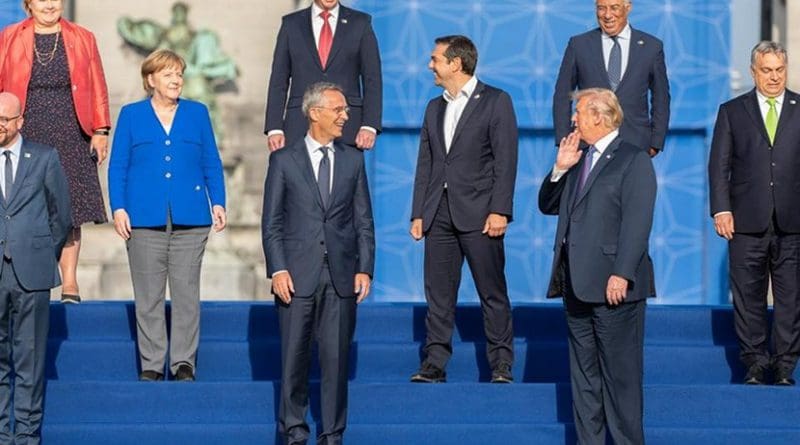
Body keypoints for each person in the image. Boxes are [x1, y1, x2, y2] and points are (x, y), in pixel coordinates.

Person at [539, 88, 656, 444]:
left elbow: (637, 223)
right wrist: (560, 168)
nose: (573, 119)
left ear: (600, 117)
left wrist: (621, 272)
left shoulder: (633, 159)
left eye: (578, 113)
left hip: (614, 289)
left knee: (620, 380)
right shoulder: (578, 159)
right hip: (576, 284)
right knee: (585, 380)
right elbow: (547, 205)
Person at [262, 82, 375, 444]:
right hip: (295, 276)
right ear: (315, 113)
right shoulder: (283, 160)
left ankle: (332, 434)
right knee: (293, 358)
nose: (345, 116)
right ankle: (294, 430)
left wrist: (365, 267)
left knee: (336, 361)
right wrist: (278, 268)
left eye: (345, 110)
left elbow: (364, 220)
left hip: (341, 276)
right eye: (338, 110)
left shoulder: (354, 159)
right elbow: (272, 222)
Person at [108, 49, 226, 382]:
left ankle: (183, 363)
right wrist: (119, 207)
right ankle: (151, 363)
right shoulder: (131, 115)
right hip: (144, 217)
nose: (176, 80)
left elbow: (211, 162)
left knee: (187, 293)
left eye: (179, 74)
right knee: (148, 294)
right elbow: (119, 166)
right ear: (151, 80)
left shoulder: (197, 113)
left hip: (191, 218)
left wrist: (218, 201)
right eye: (168, 74)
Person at [409, 35, 517, 384]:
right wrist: (418, 212)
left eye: (435, 59)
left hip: (481, 214)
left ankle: (501, 364)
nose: (430, 66)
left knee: (492, 291)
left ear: (455, 63)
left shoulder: (496, 101)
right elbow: (425, 163)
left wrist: (500, 210)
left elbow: (505, 160)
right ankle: (434, 363)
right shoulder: (433, 107)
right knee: (438, 294)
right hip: (438, 213)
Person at [0, 0, 111, 303]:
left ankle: (70, 282)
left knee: (69, 207)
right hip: (26, 128)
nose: (49, 5)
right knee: (24, 207)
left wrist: (100, 131)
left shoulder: (82, 37)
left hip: (70, 129)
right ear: (28, 5)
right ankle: (29, 277)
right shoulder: (9, 36)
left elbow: (97, 84)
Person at [708, 41, 800, 386]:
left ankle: (785, 365)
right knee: (748, 295)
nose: (774, 77)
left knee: (791, 296)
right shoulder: (732, 111)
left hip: (793, 222)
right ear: (753, 72)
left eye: (779, 70)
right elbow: (719, 167)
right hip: (745, 221)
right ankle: (756, 363)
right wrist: (721, 209)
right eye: (767, 70)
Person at [0, 91, 72, 445]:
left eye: (5, 119)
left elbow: (61, 216)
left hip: (32, 272)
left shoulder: (44, 157)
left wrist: (40, 250)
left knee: (29, 359)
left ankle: (26, 436)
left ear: (20, 121)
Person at [553, 0, 670, 157]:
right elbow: (562, 94)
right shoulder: (579, 45)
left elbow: (661, 98)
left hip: (636, 143)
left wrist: (655, 142)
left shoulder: (651, 47)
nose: (607, 15)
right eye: (602, 8)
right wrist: (564, 140)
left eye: (614, 8)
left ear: (627, 8)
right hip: (589, 144)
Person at [264, 0, 382, 151]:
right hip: (299, 126)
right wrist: (274, 128)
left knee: (345, 174)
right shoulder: (291, 24)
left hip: (347, 128)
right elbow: (278, 81)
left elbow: (372, 79)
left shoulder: (360, 23)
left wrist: (369, 125)